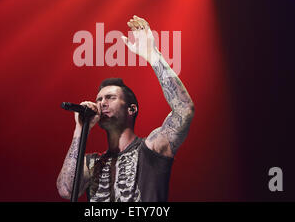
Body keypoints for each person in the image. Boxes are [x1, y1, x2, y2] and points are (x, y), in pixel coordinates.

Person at [57, 15, 194, 202]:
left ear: (132, 109)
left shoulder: (151, 148)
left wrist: (153, 55)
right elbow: (66, 190)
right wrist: (81, 129)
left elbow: (184, 110)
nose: (101, 103)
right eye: (99, 99)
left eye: (110, 98)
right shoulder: (91, 163)